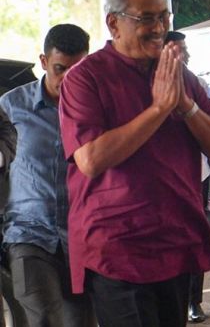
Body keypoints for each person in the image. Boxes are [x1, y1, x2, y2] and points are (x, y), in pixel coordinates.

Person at [58, 0, 210, 327]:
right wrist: (157, 110)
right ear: (114, 23)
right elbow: (91, 159)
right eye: (147, 18)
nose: (159, 28)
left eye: (164, 17)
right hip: (118, 248)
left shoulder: (177, 75)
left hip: (174, 238)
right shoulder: (84, 78)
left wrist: (186, 107)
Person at [0, 24, 95, 327]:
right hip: (28, 235)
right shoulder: (11, 106)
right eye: (60, 68)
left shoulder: (97, 109)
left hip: (83, 239)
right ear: (43, 62)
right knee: (43, 319)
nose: (68, 78)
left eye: (77, 69)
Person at [165, 30, 210, 324]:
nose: (184, 54)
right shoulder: (149, 90)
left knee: (197, 237)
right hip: (167, 181)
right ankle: (176, 299)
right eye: (178, 49)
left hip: (198, 176)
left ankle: (194, 301)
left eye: (185, 49)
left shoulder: (196, 84)